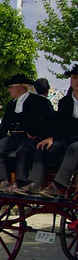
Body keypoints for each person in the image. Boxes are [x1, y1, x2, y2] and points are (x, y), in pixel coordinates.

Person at [0, 74, 55, 193]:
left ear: (21, 87)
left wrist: (38, 134)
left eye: (11, 87)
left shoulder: (38, 101)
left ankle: (21, 181)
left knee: (23, 148)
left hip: (31, 138)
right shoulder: (11, 105)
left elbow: (49, 120)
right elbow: (4, 125)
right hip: (14, 137)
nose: (9, 90)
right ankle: (2, 180)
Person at [32, 65, 78, 198]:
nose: (77, 81)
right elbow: (59, 124)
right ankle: (34, 184)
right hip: (67, 139)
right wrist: (51, 137)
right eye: (74, 78)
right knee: (43, 146)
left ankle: (58, 186)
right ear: (70, 80)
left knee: (74, 148)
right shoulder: (65, 102)